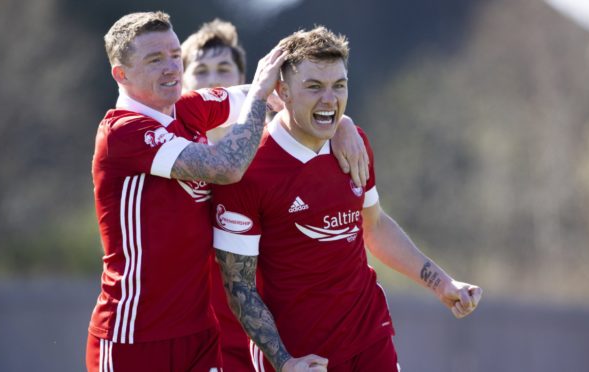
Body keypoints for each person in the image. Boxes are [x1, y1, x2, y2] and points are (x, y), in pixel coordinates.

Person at [86, 12, 367, 372]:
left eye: (175, 55)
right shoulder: (121, 133)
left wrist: (342, 122)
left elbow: (280, 97)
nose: (172, 68)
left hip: (200, 336)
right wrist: (263, 93)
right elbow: (226, 167)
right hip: (134, 337)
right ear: (120, 74)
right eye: (155, 60)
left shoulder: (187, 111)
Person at [211, 26, 483, 372]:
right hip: (301, 355)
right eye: (314, 87)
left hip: (370, 337)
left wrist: (443, 283)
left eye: (339, 86)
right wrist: (284, 360)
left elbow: (376, 226)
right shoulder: (249, 172)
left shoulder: (353, 146)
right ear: (283, 92)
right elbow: (239, 287)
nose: (330, 99)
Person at [180, 18, 257, 372]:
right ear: (182, 82)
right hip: (193, 338)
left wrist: (345, 126)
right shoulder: (168, 151)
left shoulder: (273, 147)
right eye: (201, 70)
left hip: (261, 337)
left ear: (244, 81)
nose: (212, 81)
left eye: (223, 69)